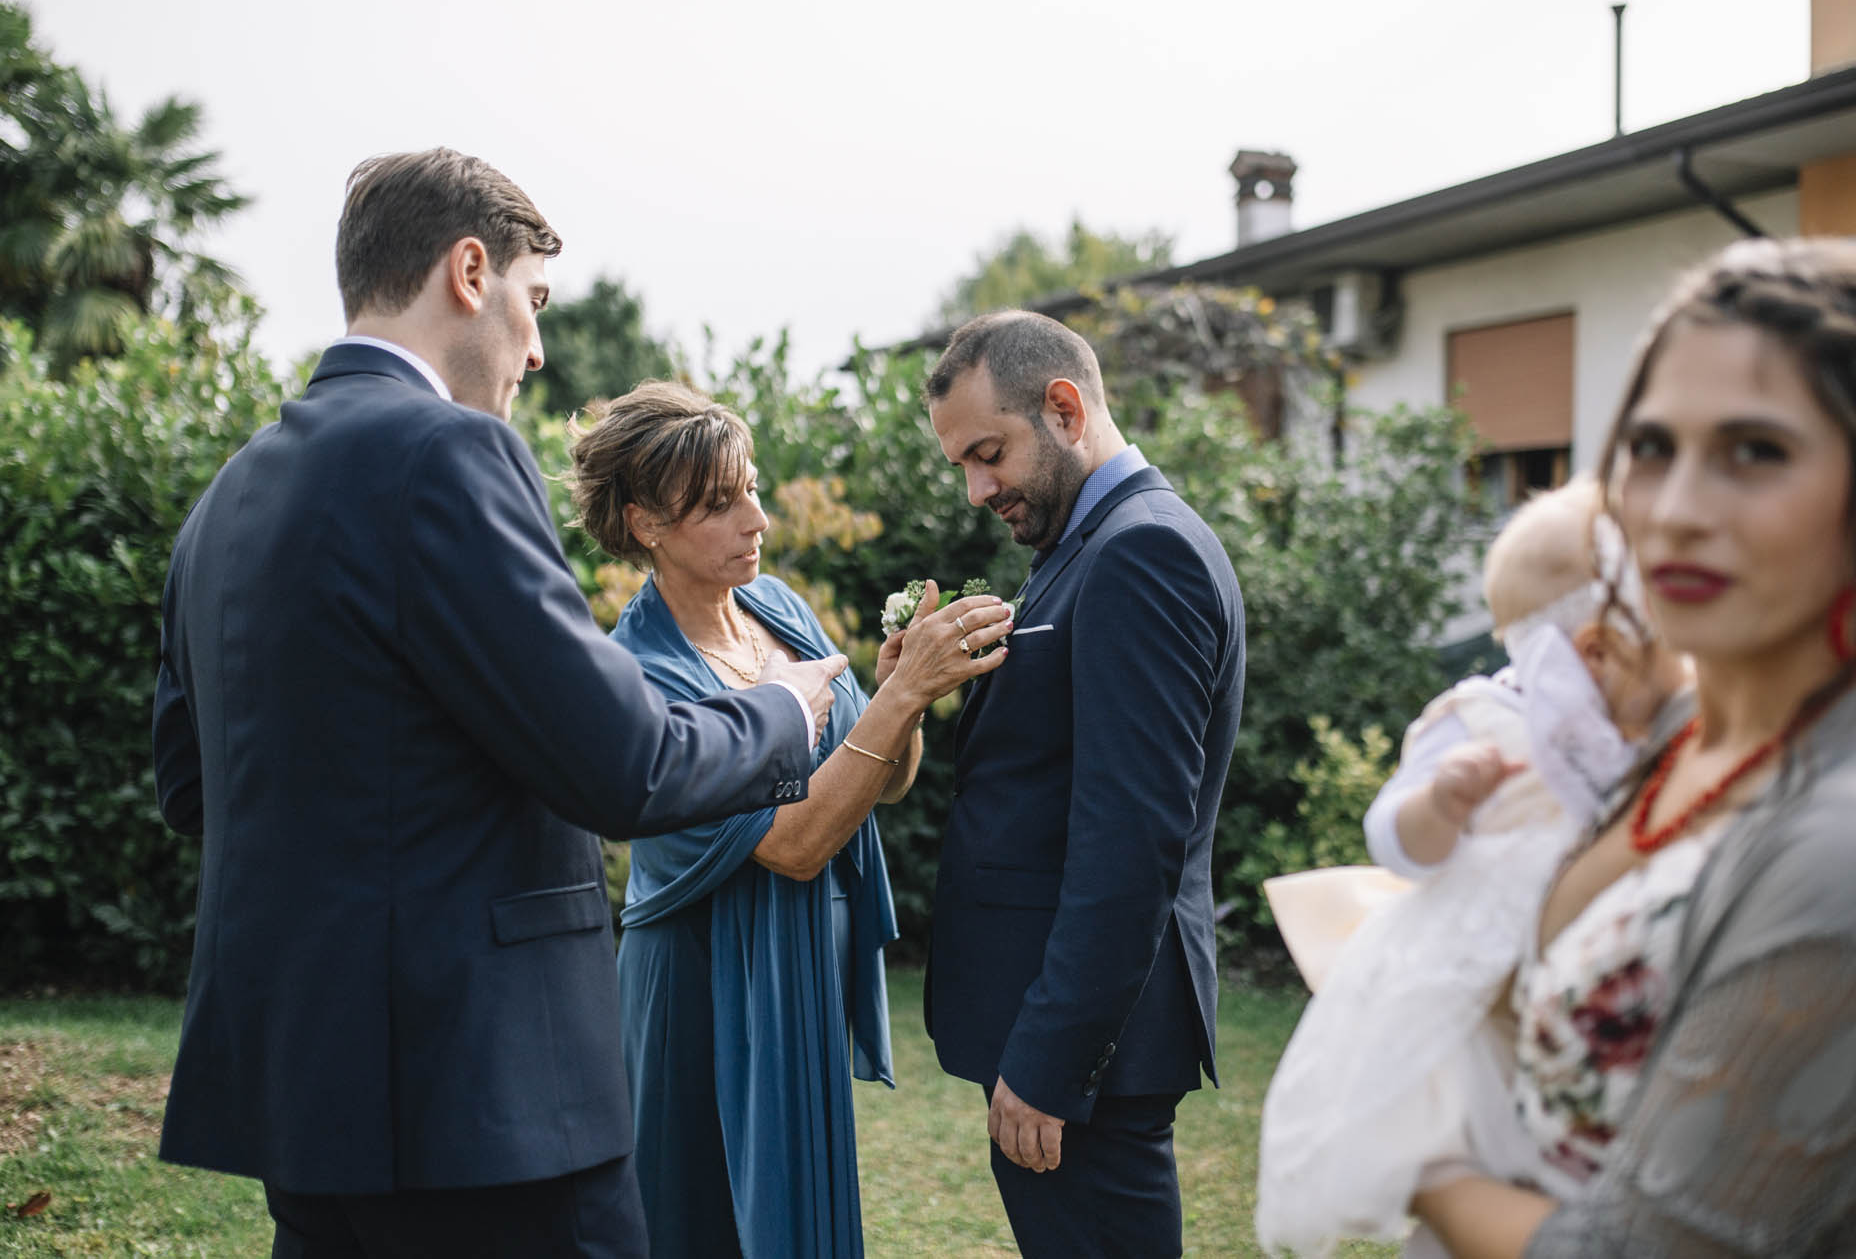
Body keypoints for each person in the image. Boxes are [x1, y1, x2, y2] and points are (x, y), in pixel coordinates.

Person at [151, 149, 844, 1259]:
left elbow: (194, 789)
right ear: (469, 272)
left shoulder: (225, 498)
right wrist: (783, 711)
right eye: (536, 301)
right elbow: (624, 763)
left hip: (303, 1099)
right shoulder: (448, 452)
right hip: (484, 1101)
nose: (537, 348)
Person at [1410, 237, 1856, 1257]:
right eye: (1651, 447)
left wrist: (1412, 1149)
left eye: (1755, 451)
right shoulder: (1682, 726)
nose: (1676, 511)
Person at [563, 382, 1012, 1257]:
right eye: (719, 504)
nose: (757, 520)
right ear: (646, 523)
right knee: (705, 1222)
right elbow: (796, 844)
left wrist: (898, 699)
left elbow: (883, 784)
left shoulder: (783, 609)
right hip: (703, 985)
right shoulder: (639, 677)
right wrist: (903, 695)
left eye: (753, 489)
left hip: (801, 964)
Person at [1257, 480, 1683, 1258]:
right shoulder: (1480, 717)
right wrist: (1442, 806)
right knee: (1487, 1142)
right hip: (1479, 981)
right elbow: (1389, 835)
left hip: (1588, 982)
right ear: (1594, 646)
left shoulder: (1642, 732)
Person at [922, 310, 1246, 1257]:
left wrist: (1052, 1060)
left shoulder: (1142, 552)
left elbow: (1130, 841)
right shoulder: (1086, 544)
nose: (978, 490)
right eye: (963, 465)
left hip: (1082, 1059)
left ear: (1064, 409)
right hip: (1063, 1041)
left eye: (989, 454)